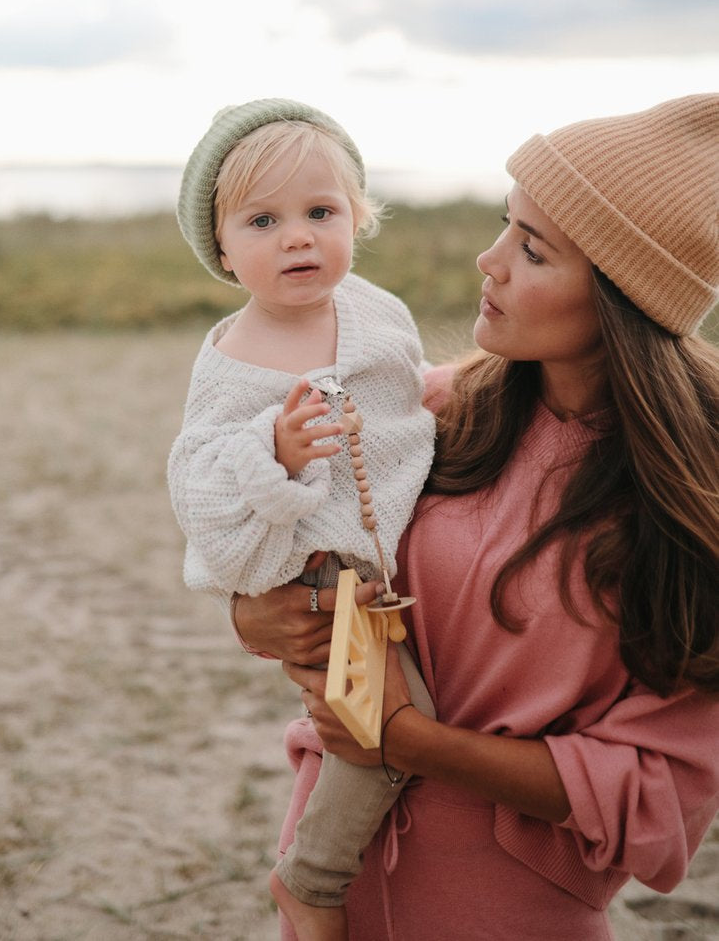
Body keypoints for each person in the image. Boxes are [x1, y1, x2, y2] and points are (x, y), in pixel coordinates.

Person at [233, 93, 719, 941]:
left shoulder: (685, 504)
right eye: (505, 225)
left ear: (622, 298)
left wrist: (412, 742)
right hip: (328, 878)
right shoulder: (423, 413)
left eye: (532, 250)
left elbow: (653, 788)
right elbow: (283, 544)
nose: (489, 261)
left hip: (501, 910)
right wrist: (259, 615)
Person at [168, 98, 437, 940]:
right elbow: (199, 478)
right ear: (223, 249)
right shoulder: (235, 358)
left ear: (357, 216)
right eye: (263, 221)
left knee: (400, 726)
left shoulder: (375, 310)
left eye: (322, 213)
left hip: (397, 561)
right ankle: (313, 880)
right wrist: (275, 453)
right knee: (383, 736)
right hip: (323, 581)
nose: (298, 237)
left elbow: (409, 397)